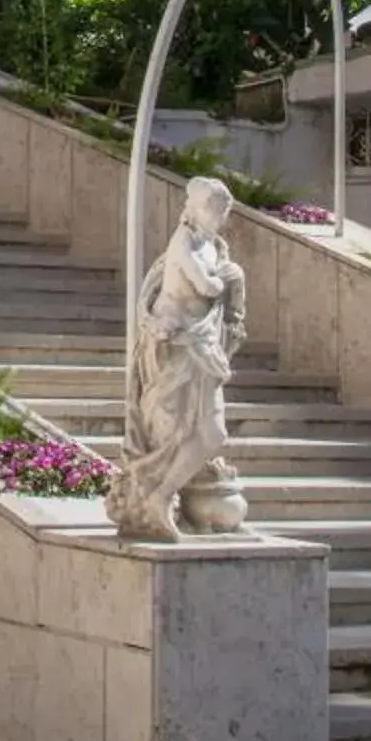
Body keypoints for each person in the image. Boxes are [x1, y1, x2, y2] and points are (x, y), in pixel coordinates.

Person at [107, 175, 248, 540]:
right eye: (215, 210)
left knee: (212, 431)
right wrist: (230, 276)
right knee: (172, 433)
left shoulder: (213, 245)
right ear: (197, 209)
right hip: (176, 350)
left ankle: (161, 494)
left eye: (224, 212)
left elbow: (215, 290)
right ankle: (159, 498)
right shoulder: (183, 241)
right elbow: (206, 286)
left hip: (202, 348)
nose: (220, 218)